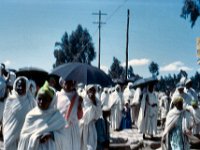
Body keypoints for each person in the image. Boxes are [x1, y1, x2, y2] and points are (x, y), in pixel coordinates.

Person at [17, 81, 67, 150]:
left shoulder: (58, 117)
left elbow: (65, 138)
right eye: (39, 99)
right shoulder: (31, 115)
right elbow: (23, 137)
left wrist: (51, 135)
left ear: (51, 101)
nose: (41, 102)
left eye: (45, 99)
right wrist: (35, 138)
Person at [3, 76, 36, 150]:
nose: (20, 88)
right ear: (15, 86)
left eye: (23, 86)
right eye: (19, 86)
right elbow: (6, 118)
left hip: (24, 136)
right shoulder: (10, 100)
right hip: (10, 134)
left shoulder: (31, 101)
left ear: (27, 87)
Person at [56, 78, 83, 150]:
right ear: (62, 83)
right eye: (66, 82)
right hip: (61, 129)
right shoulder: (57, 96)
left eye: (70, 82)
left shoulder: (77, 97)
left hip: (73, 130)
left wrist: (80, 106)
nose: (68, 84)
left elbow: (80, 116)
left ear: (73, 83)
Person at [80, 84, 102, 150]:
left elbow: (98, 115)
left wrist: (94, 103)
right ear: (87, 91)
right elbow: (83, 115)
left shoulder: (97, 101)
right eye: (90, 90)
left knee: (91, 147)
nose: (92, 92)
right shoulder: (82, 100)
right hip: (82, 127)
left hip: (91, 127)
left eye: (93, 90)